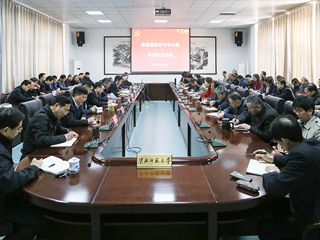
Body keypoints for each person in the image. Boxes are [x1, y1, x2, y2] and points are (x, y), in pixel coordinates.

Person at [254, 115, 320, 240]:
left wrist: (271, 173)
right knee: (274, 207)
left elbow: (276, 188)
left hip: (311, 219)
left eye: (278, 142)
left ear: (285, 141)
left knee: (264, 226)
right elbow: (301, 160)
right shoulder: (309, 143)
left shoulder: (299, 155)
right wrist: (274, 158)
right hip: (312, 198)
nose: (279, 146)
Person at [0, 108, 45, 240]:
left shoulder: (3, 139)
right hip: (2, 205)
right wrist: (33, 168)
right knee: (38, 218)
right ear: (6, 130)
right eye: (18, 129)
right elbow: (10, 182)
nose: (20, 131)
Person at [20, 95, 78, 160]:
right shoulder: (41, 117)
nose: (65, 114)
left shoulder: (53, 114)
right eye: (65, 110)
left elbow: (58, 128)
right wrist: (65, 137)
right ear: (56, 105)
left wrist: (69, 131)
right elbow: (41, 140)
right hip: (32, 155)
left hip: (45, 150)